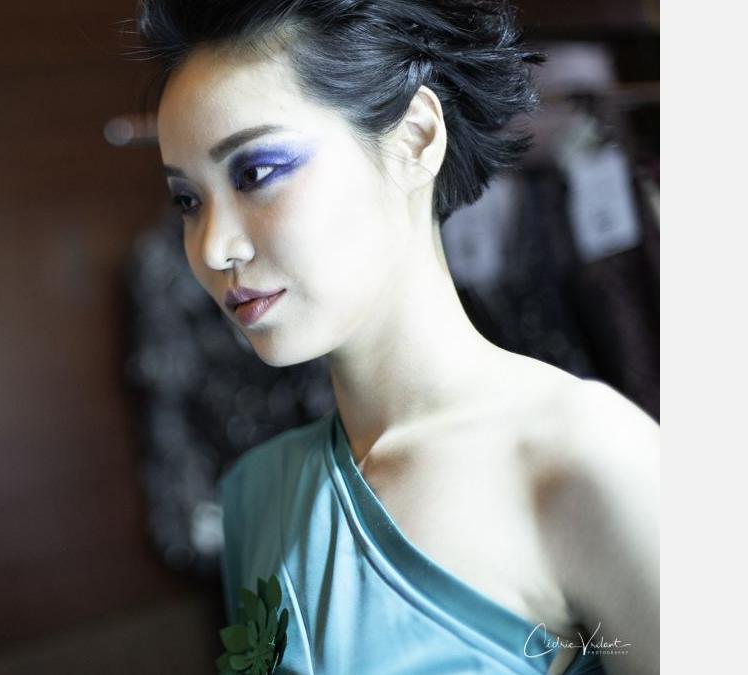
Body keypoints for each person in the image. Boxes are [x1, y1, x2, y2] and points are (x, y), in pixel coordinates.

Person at [131, 1, 660, 673]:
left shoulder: (587, 460)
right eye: (188, 201)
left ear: (414, 138)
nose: (215, 247)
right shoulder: (255, 493)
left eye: (256, 173)